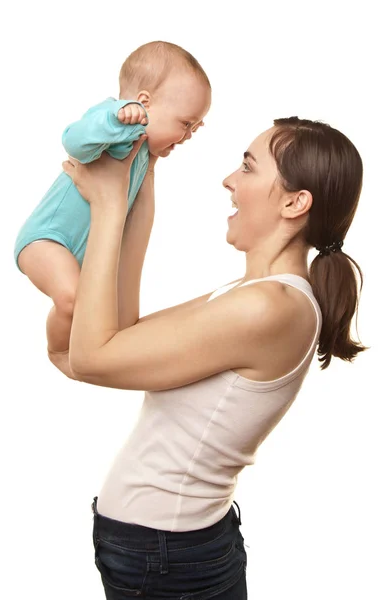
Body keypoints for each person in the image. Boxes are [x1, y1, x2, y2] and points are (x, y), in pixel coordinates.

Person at [59, 116, 366, 599]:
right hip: (164, 550)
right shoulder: (253, 295)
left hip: (167, 557)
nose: (229, 179)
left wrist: (108, 206)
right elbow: (112, 338)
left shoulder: (268, 308)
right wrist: (144, 177)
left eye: (247, 167)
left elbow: (93, 355)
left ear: (294, 201)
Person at [13, 41, 211, 377]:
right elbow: (73, 139)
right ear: (144, 103)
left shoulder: (144, 155)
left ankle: (77, 346)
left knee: (95, 310)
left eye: (195, 127)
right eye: (185, 123)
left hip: (82, 251)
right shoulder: (117, 125)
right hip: (47, 239)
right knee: (73, 300)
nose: (189, 135)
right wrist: (115, 116)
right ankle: (60, 350)